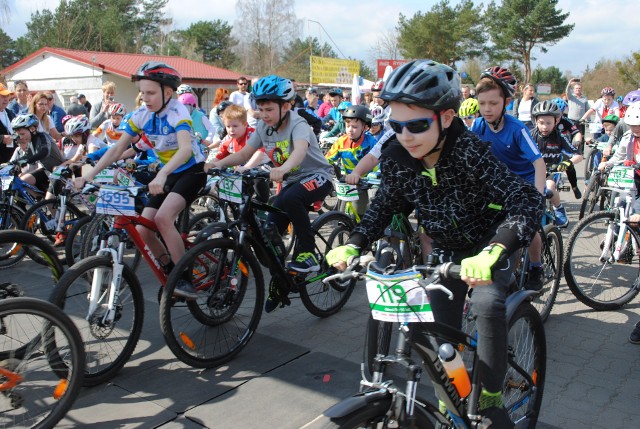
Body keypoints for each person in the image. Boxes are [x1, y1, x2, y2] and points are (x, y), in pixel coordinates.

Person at [326, 59, 542, 428]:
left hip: (488, 248)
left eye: (417, 125)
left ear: (445, 117)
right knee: (442, 339)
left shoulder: (470, 152)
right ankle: (452, 400)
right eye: (396, 126)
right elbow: (385, 205)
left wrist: (494, 251)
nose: (405, 136)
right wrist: (356, 243)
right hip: (443, 253)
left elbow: (526, 201)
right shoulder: (397, 157)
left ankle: (490, 396)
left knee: (488, 303)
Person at [76, 61, 207, 300]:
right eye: (142, 92)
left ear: (168, 93)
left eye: (151, 93)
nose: (145, 98)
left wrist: (163, 173)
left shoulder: (179, 111)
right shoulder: (142, 114)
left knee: (163, 218)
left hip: (190, 170)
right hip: (165, 173)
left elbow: (186, 149)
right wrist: (88, 176)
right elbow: (117, 149)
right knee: (143, 229)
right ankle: (169, 267)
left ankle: (184, 277)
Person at [206, 74, 334, 311]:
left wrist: (283, 168)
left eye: (269, 109)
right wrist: (218, 163)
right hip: (291, 181)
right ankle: (282, 283)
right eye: (260, 109)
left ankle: (308, 254)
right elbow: (245, 154)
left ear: (286, 106)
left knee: (290, 197)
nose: (263, 114)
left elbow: (300, 151)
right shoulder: (264, 127)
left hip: (318, 177)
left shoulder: (298, 124)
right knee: (268, 234)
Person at [471, 66, 546, 291]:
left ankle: (536, 267)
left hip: (524, 182)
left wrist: (537, 196)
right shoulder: (478, 125)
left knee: (528, 227)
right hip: (499, 184)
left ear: (506, 102)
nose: (486, 109)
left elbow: (539, 164)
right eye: (482, 103)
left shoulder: (517, 128)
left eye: (493, 104)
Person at [530, 100, 583, 228]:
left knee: (550, 186)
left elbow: (579, 156)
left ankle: (558, 208)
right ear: (535, 121)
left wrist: (568, 162)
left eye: (549, 123)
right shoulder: (530, 136)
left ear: (556, 121)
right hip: (533, 171)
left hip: (552, 171)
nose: (545, 127)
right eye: (541, 123)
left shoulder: (559, 137)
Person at [325, 105, 376, 216]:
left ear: (365, 127)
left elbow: (377, 162)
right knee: (344, 214)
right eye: (348, 126)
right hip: (348, 181)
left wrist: (373, 175)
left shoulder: (371, 142)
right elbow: (327, 159)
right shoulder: (341, 141)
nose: (350, 130)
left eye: (355, 127)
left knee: (365, 208)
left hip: (368, 182)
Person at [9, 113, 64, 192]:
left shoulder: (43, 137)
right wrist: (12, 163)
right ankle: (38, 201)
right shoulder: (31, 142)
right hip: (45, 171)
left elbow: (44, 152)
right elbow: (27, 156)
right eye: (18, 135)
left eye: (22, 134)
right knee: (22, 181)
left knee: (49, 202)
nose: (20, 137)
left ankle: (45, 202)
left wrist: (27, 161)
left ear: (32, 129)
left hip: (58, 171)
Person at [212, 103, 269, 172]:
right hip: (241, 170)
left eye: (235, 126)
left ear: (245, 124)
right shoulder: (227, 139)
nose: (231, 130)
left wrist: (246, 167)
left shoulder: (253, 135)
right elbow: (219, 157)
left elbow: (260, 154)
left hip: (263, 167)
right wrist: (208, 166)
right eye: (228, 126)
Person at [0, 83, 16, 163]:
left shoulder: (10, 113)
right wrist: (2, 138)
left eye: (7, 96)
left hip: (11, 159)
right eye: (3, 96)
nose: (6, 99)